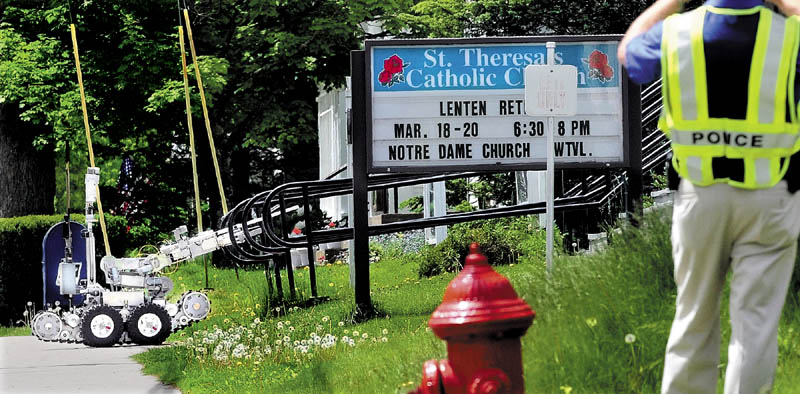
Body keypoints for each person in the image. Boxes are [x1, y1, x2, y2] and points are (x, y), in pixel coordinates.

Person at [619, 0, 800, 393]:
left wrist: (672, 1)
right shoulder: (790, 35)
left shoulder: (675, 32)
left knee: (693, 317)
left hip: (699, 195)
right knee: (755, 328)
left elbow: (628, 55)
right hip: (770, 196)